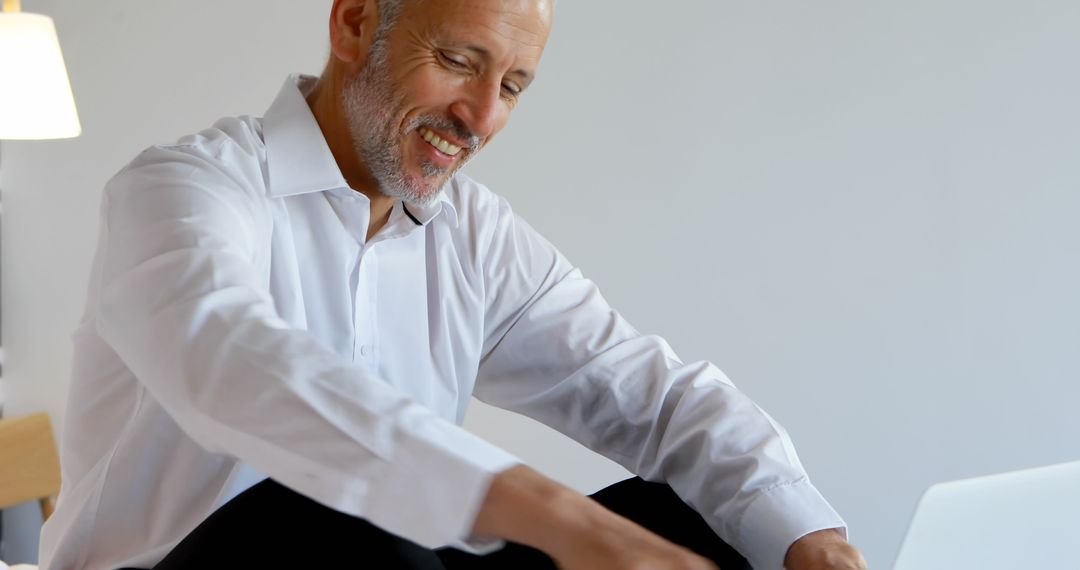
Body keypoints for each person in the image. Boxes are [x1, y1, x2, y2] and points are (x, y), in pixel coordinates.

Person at [40, 0, 868, 568]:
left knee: (698, 516)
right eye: (457, 62)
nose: (480, 118)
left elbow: (655, 400)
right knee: (327, 521)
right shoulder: (182, 190)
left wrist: (815, 540)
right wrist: (561, 520)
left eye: (510, 86)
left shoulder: (474, 238)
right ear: (356, 23)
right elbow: (239, 370)